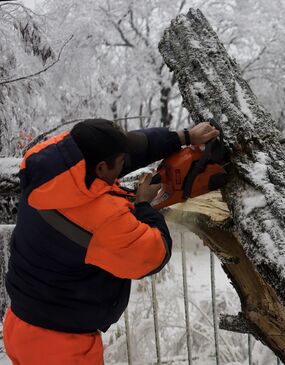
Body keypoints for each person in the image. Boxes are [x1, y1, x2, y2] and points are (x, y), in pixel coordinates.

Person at [3, 119, 219, 364]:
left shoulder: (49, 162)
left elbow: (129, 148)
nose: (125, 167)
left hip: (19, 324)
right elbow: (154, 254)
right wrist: (143, 205)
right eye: (120, 165)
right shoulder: (103, 219)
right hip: (61, 346)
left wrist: (183, 137)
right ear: (102, 168)